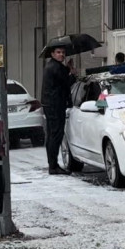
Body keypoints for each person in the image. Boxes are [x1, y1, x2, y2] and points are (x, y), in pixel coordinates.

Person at [41, 46, 77, 175]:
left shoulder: (53, 66)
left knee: (52, 134)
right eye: (58, 52)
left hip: (51, 104)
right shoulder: (55, 67)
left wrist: (67, 68)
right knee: (55, 135)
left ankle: (53, 164)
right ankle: (53, 166)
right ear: (52, 54)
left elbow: (61, 78)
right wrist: (72, 73)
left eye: (63, 52)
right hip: (55, 105)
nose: (61, 54)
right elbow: (66, 82)